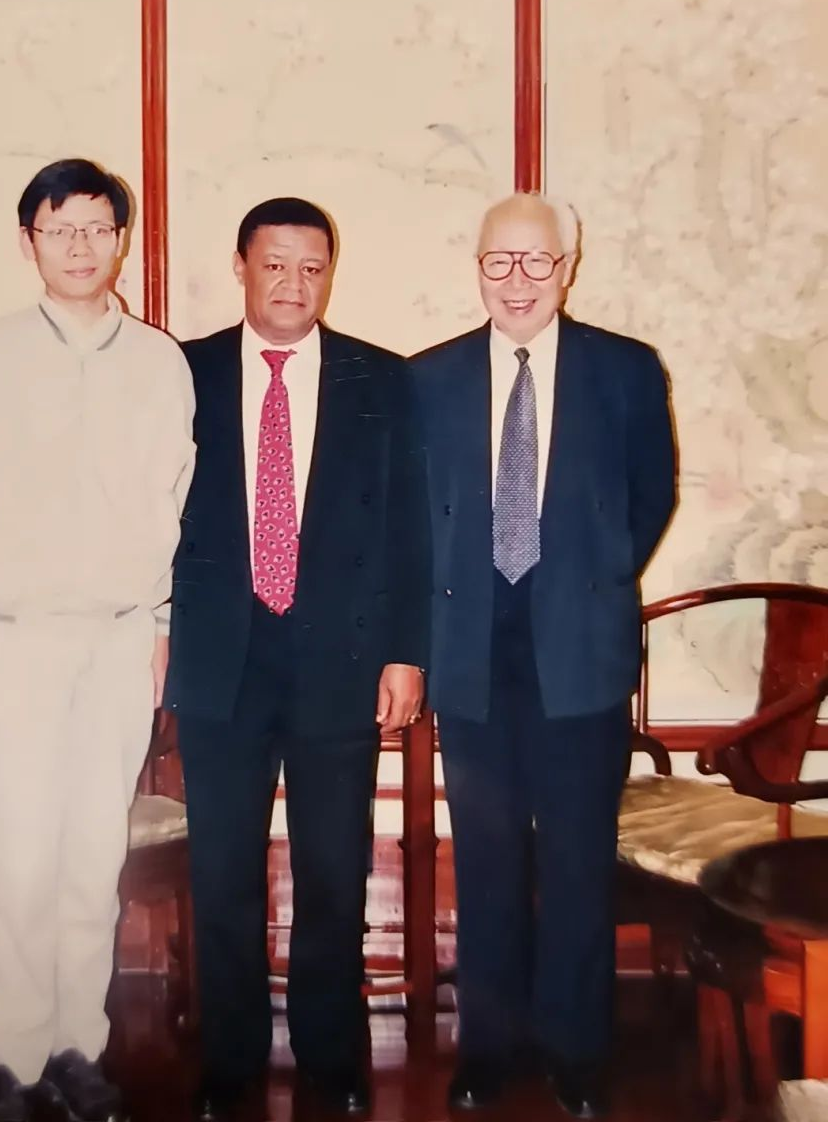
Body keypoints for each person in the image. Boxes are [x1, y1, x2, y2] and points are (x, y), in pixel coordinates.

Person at [0, 158, 195, 1122]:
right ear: (27, 240)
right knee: (23, 859)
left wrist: (161, 625)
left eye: (98, 228)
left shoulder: (159, 362)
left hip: (119, 642)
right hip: (14, 640)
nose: (80, 246)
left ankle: (79, 1049)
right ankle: (17, 1061)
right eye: (59, 228)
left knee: (91, 858)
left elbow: (176, 506)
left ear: (122, 240)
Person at [166, 197, 430, 1119]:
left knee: (334, 867)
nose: (293, 283)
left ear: (330, 273)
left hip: (340, 658)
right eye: (275, 264)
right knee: (222, 871)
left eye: (311, 267)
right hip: (219, 658)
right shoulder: (182, 373)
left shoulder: (381, 378)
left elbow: (410, 529)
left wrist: (406, 653)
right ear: (241, 266)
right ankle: (230, 1058)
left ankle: (330, 1053)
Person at [413, 192, 676, 1119]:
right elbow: (417, 515)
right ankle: (488, 1048)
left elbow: (651, 496)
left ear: (568, 267)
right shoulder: (430, 378)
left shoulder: (625, 369)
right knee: (484, 859)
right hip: (470, 654)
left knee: (576, 860)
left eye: (537, 261)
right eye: (499, 261)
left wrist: (590, 580)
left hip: (581, 651)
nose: (517, 281)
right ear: (477, 267)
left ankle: (576, 1052)